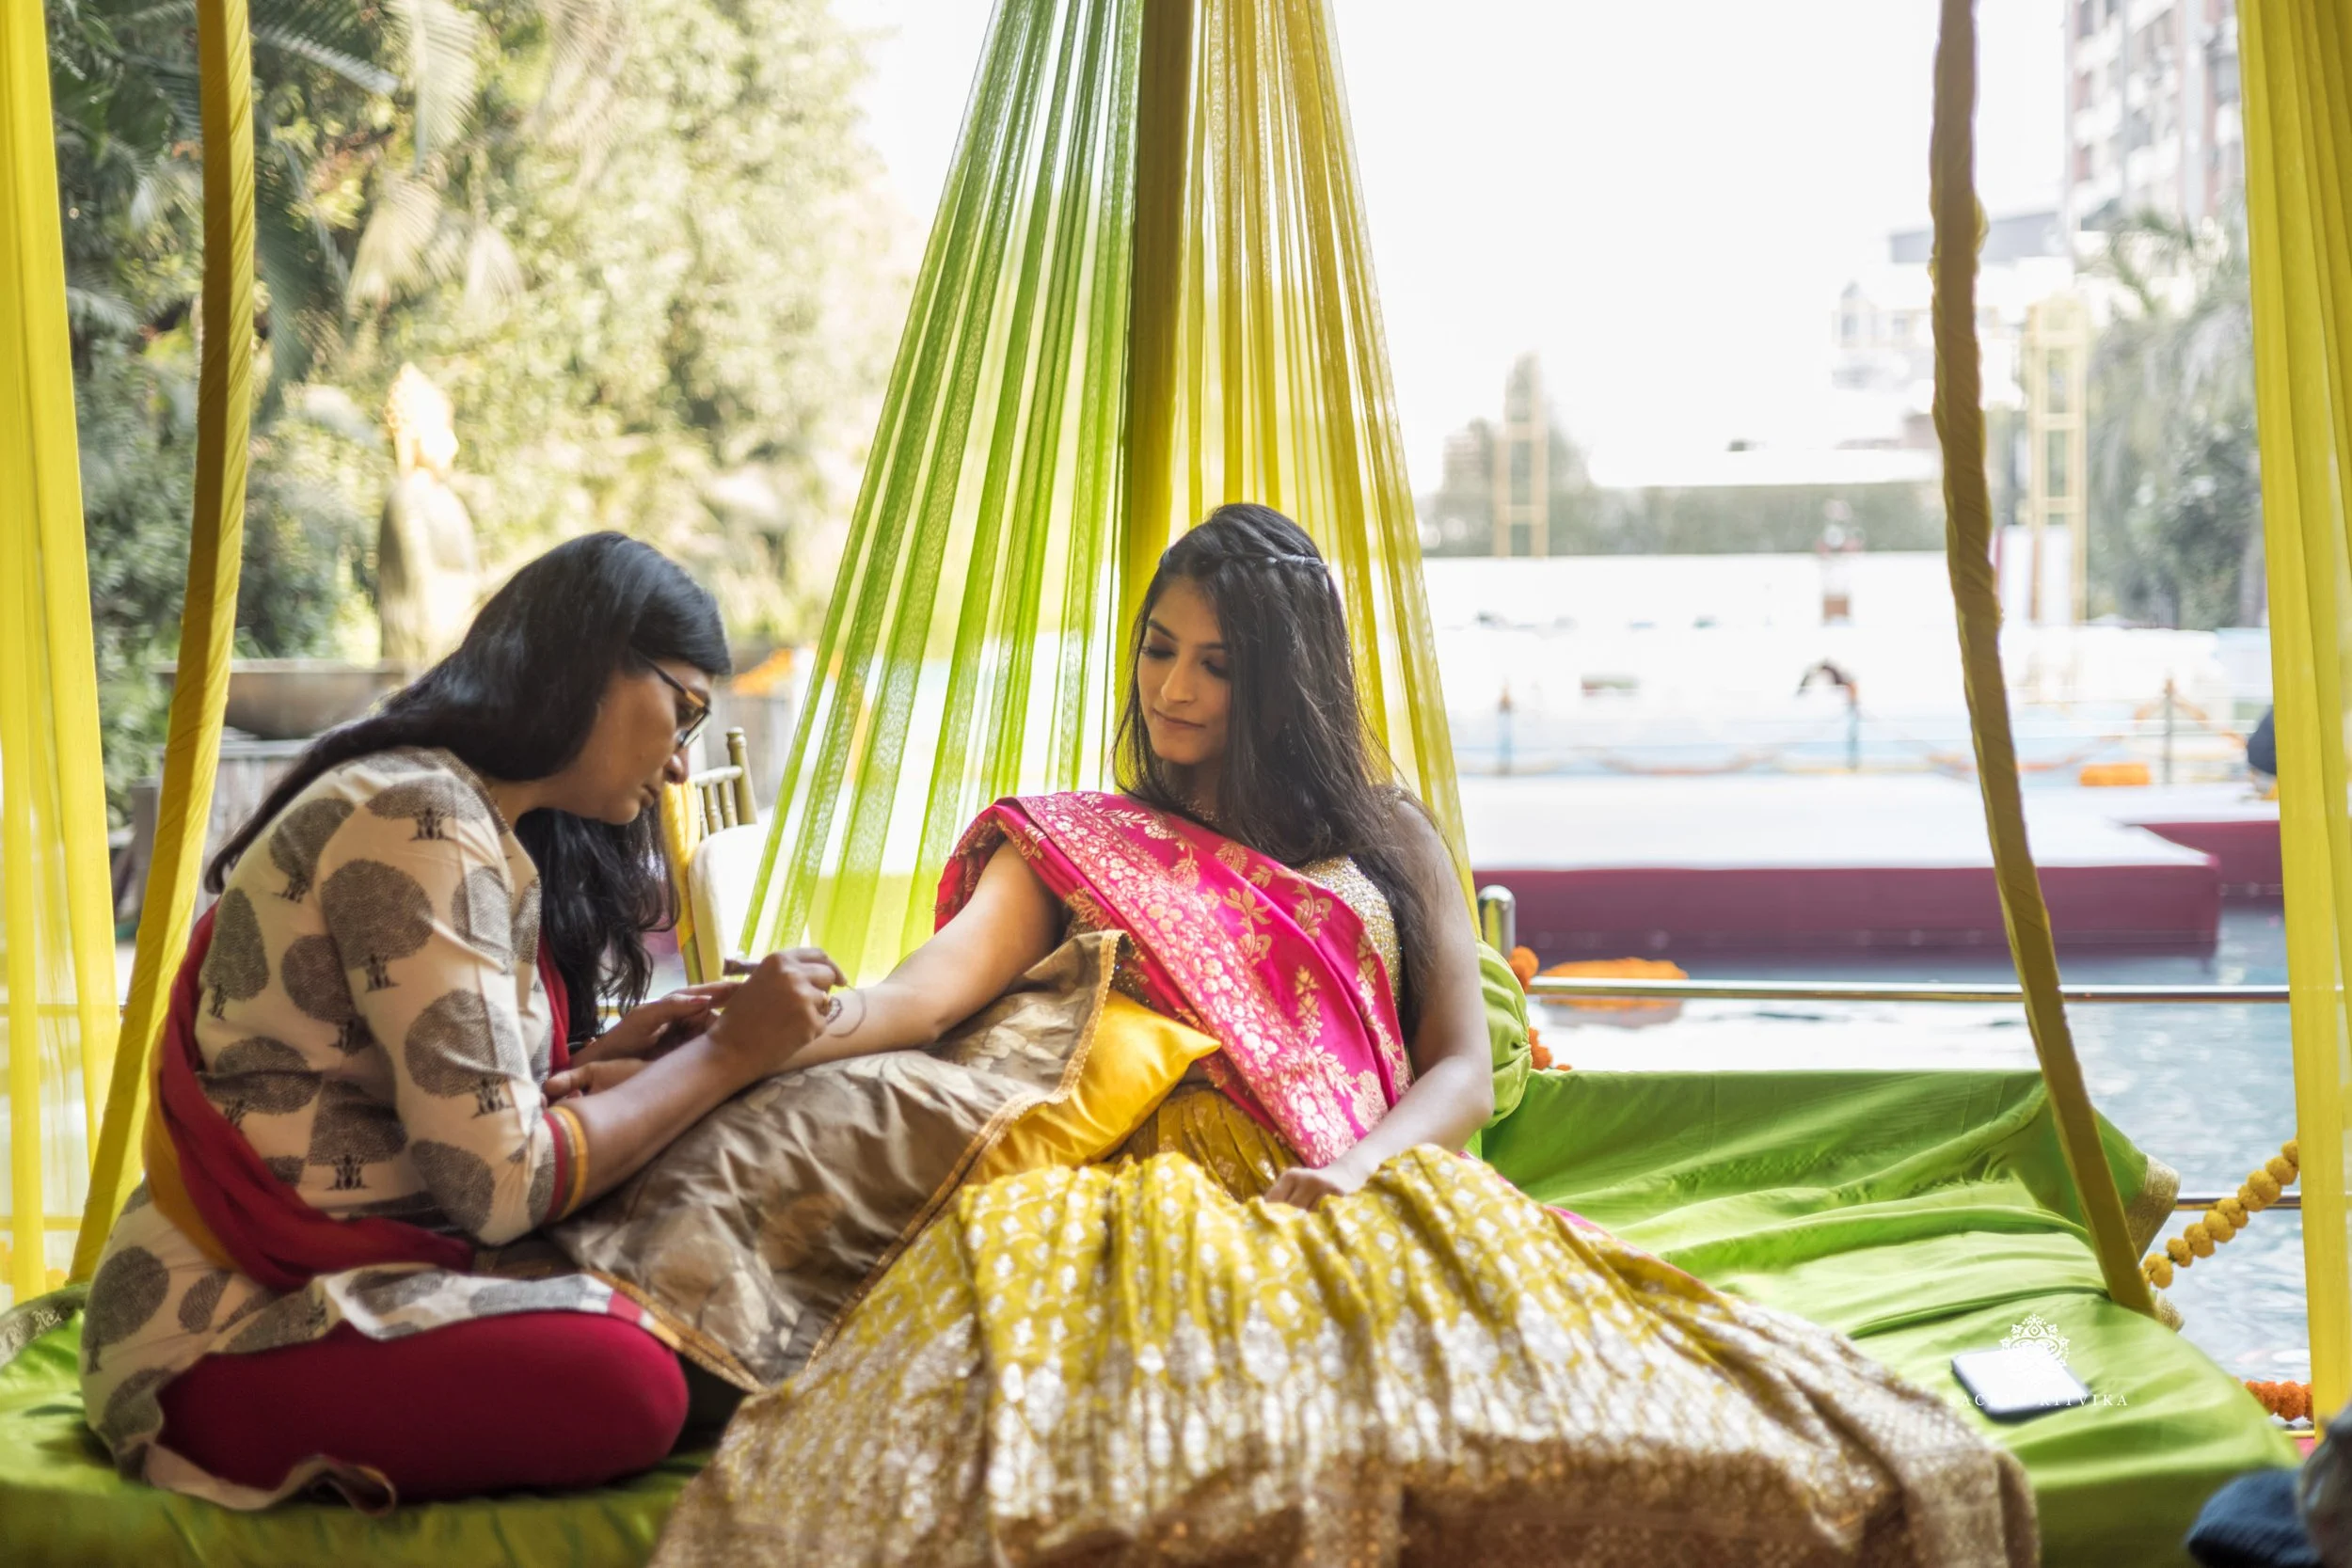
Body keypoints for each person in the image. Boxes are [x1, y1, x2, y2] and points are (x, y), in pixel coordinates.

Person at [648, 505, 2038, 1566]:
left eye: (1217, 663)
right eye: (1157, 646)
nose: (1171, 686)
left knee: (1684, 1431)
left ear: (1288, 679)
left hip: (1366, 1173)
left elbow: (1461, 1067)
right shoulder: (1077, 839)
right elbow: (926, 993)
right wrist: (774, 1028)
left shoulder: (1390, 833)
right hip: (1149, 1196)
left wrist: (1363, 1171)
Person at [80, 532, 843, 1509]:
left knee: (734, 1324)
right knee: (643, 1383)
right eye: (684, 710)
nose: (682, 765)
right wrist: (731, 1054)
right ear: (593, 661)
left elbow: (427, 1106)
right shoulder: (417, 817)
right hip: (223, 1327)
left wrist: (606, 1059)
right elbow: (499, 1183)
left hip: (344, 1274)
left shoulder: (472, 818)